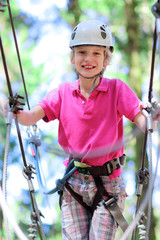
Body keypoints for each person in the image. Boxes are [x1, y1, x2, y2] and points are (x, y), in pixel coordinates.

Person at [2, 20, 159, 239]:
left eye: (96, 53)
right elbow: (29, 118)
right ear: (72, 58)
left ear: (106, 59)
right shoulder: (62, 93)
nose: (88, 59)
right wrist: (10, 109)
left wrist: (152, 118)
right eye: (82, 52)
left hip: (108, 184)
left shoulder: (116, 89)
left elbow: (141, 120)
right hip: (74, 184)